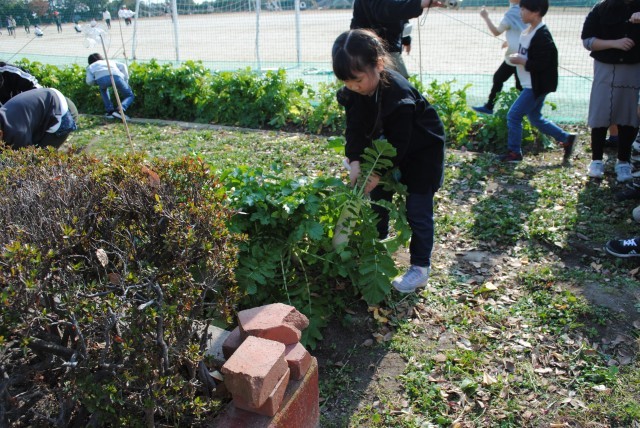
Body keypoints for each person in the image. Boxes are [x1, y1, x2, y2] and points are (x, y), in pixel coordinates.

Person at [332, 29, 446, 293]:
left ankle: (420, 268)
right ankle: (377, 247)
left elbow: (399, 143)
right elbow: (354, 128)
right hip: (384, 149)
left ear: (379, 64)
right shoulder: (355, 92)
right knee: (378, 201)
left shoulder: (399, 97)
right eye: (347, 82)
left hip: (421, 152)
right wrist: (356, 160)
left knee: (417, 210)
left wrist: (375, 173)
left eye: (357, 80)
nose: (353, 87)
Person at [500, 0, 575, 162]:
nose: (520, 12)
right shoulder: (527, 31)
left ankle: (514, 152)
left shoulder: (542, 36)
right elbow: (527, 51)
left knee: (513, 115)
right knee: (535, 118)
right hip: (530, 83)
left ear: (536, 12)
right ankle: (566, 138)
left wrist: (522, 61)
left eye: (523, 9)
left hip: (535, 86)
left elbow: (542, 64)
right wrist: (513, 49)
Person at [582, 1, 640, 183]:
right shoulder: (601, 8)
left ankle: (623, 162)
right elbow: (587, 40)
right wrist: (615, 43)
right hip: (604, 70)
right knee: (600, 115)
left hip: (633, 69)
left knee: (628, 117)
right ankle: (596, 161)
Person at [350, 0, 443, 79]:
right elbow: (384, 10)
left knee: (397, 83)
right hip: (370, 49)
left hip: (387, 46)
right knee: (398, 83)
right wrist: (419, 3)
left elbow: (400, 13)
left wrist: (406, 38)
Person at [472, 0, 526, 115]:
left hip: (515, 57)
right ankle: (518, 111)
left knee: (502, 80)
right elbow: (522, 30)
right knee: (514, 84)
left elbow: (496, 32)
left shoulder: (512, 12)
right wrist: (509, 41)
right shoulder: (526, 9)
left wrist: (485, 17)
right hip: (523, 54)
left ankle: (493, 108)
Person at [0, 88, 78, 150]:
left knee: (38, 158)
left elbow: (24, 156)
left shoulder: (17, 134)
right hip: (48, 103)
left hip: (63, 112)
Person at [86, 53, 135, 119]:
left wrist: (96, 82)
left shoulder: (90, 66)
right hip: (116, 76)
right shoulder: (109, 61)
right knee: (129, 95)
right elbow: (123, 65)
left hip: (101, 79)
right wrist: (126, 79)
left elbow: (89, 81)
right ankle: (120, 110)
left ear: (90, 62)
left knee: (103, 90)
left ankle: (110, 112)